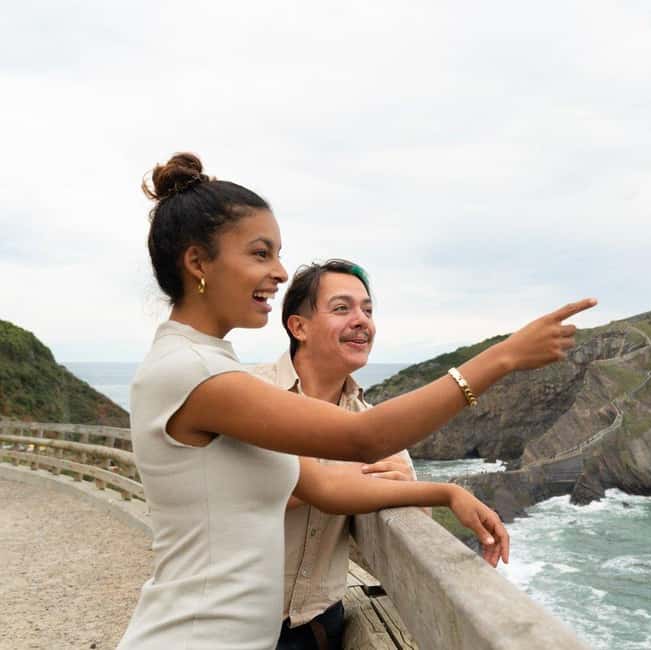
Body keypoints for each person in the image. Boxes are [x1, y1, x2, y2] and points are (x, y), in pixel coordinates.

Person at [118, 152, 596, 650]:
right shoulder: (197, 373)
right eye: (261, 254)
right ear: (198, 262)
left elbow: (324, 486)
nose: (279, 272)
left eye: (278, 254)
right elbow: (363, 438)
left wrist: (443, 492)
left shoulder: (207, 366)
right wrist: (503, 357)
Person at [250, 259, 420, 649]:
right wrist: (357, 477)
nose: (362, 321)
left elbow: (413, 524)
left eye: (368, 310)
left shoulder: (371, 421)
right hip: (231, 621)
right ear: (299, 327)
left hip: (317, 629)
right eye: (342, 308)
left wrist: (405, 490)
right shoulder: (249, 393)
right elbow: (255, 489)